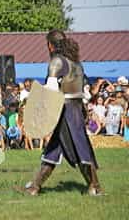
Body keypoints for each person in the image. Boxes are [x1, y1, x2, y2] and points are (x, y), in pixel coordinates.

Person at [23, 30, 103, 196]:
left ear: (50, 45)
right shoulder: (77, 64)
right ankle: (34, 187)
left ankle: (94, 187)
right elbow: (85, 92)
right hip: (76, 108)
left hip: (64, 109)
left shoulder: (57, 61)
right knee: (53, 149)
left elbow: (51, 89)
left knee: (80, 148)